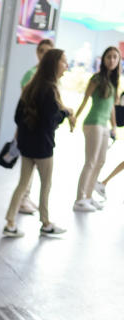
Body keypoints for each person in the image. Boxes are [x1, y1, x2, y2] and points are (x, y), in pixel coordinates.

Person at [2, 48, 74, 238]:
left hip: (27, 146)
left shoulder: (31, 86)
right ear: (54, 64)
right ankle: (46, 223)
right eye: (64, 61)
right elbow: (51, 121)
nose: (66, 65)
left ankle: (10, 222)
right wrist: (66, 113)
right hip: (43, 147)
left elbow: (18, 117)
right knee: (45, 185)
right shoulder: (50, 90)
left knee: (22, 184)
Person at [72, 46, 121, 212]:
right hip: (93, 123)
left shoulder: (114, 82)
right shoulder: (96, 79)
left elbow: (112, 107)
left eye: (115, 57)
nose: (112, 60)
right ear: (104, 59)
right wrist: (74, 118)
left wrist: (114, 126)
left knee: (100, 161)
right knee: (91, 161)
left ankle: (88, 196)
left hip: (105, 125)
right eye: (109, 57)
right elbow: (85, 100)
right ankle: (79, 199)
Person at [15, 38, 55, 216]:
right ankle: (24, 201)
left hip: (43, 133)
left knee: (29, 174)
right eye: (41, 51)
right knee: (28, 175)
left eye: (48, 51)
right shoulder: (31, 75)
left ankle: (25, 199)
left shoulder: (51, 78)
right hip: (32, 131)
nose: (44, 54)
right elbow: (25, 106)